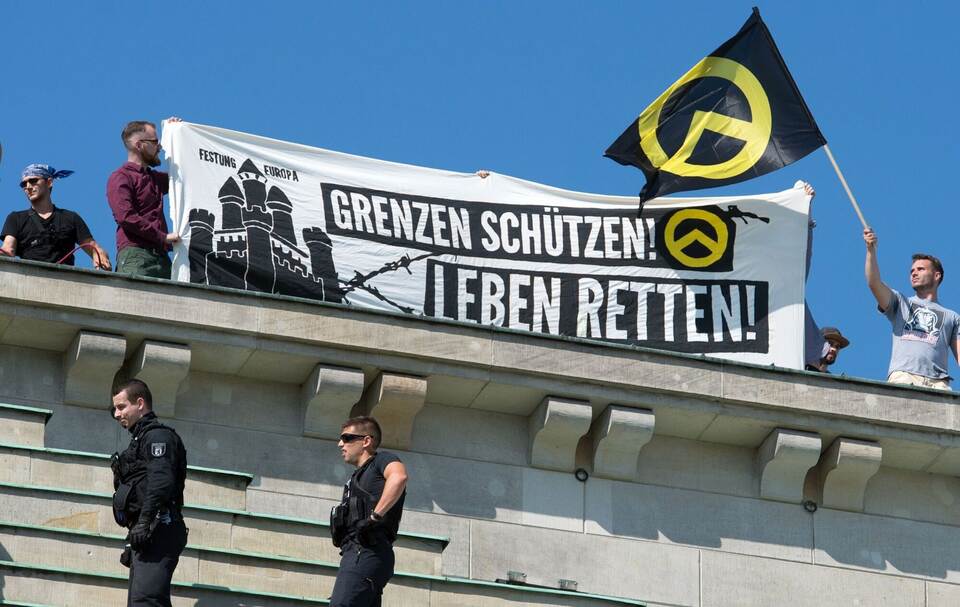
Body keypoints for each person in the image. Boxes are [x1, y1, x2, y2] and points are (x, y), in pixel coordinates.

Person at [110, 379, 188, 606]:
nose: (116, 414)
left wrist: (144, 523)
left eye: (121, 407)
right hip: (146, 532)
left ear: (140, 404)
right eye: (115, 408)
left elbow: (161, 482)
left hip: (159, 527)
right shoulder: (140, 439)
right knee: (142, 602)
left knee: (147, 602)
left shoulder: (158, 437)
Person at [864, 227, 960, 389]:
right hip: (904, 376)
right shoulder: (900, 302)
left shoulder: (952, 316)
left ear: (937, 275)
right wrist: (870, 251)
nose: (914, 273)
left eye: (920, 269)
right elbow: (874, 283)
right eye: (912, 271)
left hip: (938, 382)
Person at [329, 416, 408, 606]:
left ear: (366, 441)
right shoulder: (356, 477)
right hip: (357, 552)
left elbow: (399, 477)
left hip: (366, 550)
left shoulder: (381, 460)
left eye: (347, 438)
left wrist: (374, 517)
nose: (340, 444)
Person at [107, 119, 182, 278]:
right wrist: (163, 237)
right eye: (155, 142)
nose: (159, 147)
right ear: (139, 145)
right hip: (137, 256)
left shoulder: (154, 178)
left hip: (162, 258)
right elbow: (126, 217)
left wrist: (177, 132)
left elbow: (184, 176)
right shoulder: (121, 177)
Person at [2, 164, 111, 268]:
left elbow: (93, 247)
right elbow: (8, 249)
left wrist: (99, 255)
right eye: (24, 184)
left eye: (33, 181)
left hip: (64, 279)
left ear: (49, 182)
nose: (28, 187)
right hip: (29, 278)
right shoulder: (16, 218)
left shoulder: (70, 218)